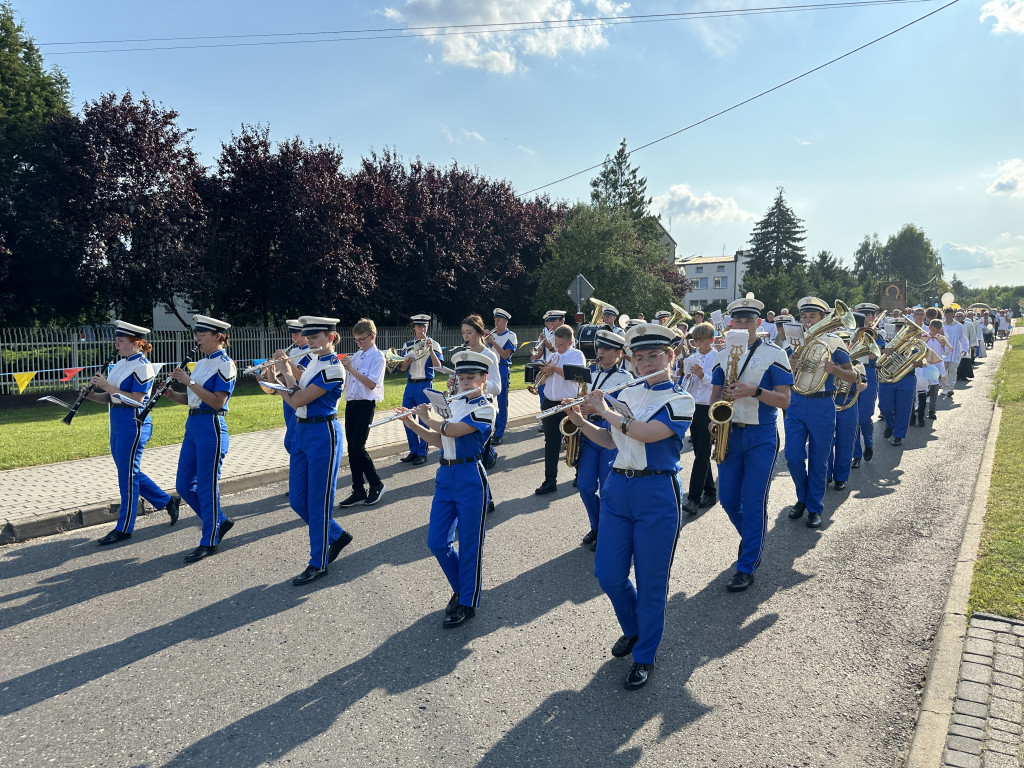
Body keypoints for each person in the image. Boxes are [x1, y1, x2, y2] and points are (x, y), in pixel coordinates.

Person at [563, 323, 693, 690]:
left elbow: (645, 434)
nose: (647, 362)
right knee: (607, 574)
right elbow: (610, 440)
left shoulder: (680, 399)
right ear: (632, 362)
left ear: (670, 356)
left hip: (657, 492)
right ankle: (635, 629)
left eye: (655, 356)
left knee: (651, 582)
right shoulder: (630, 392)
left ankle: (645, 654)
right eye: (640, 358)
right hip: (619, 488)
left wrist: (606, 410)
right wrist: (580, 419)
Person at [400, 351, 495, 628]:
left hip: (469, 477)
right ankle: (461, 588)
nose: (465, 382)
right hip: (445, 475)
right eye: (461, 377)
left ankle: (467, 601)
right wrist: (411, 422)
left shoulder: (485, 408)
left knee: (469, 544)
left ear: (483, 379)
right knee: (437, 541)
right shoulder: (453, 405)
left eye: (471, 377)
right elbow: (439, 440)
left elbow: (451, 431)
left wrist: (429, 417)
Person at [710, 298, 792, 590]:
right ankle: (753, 540)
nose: (743, 326)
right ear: (731, 323)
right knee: (729, 499)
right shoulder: (721, 355)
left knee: (755, 500)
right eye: (738, 321)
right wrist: (713, 419)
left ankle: (747, 565)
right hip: (729, 433)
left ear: (758, 322)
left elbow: (784, 400)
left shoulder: (774, 353)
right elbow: (716, 393)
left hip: (762, 434)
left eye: (748, 321)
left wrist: (754, 391)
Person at [269, 316, 354, 585]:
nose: (310, 343)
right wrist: (282, 370)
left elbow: (298, 399)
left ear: (330, 337)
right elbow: (298, 382)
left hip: (322, 434)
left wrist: (280, 378)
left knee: (318, 503)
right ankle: (336, 535)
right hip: (302, 431)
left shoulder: (334, 369)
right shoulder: (314, 361)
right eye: (309, 338)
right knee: (297, 500)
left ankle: (318, 562)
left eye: (316, 338)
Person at [89, 321, 180, 545]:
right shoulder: (119, 365)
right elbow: (111, 398)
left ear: (136, 342)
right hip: (116, 421)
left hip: (134, 422)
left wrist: (107, 386)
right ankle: (167, 501)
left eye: (121, 341)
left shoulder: (143, 366)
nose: (116, 344)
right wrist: (91, 394)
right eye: (117, 340)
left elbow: (137, 400)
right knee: (128, 471)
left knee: (126, 476)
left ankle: (124, 527)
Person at [165, 315, 237, 563]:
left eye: (202, 336)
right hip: (193, 424)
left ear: (218, 336)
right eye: (196, 335)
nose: (197, 340)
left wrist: (189, 380)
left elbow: (217, 401)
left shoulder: (225, 364)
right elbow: (193, 398)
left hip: (211, 425)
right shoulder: (203, 363)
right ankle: (218, 521)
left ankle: (209, 539)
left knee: (207, 486)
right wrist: (172, 393)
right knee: (184, 485)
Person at [785, 297, 856, 529]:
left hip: (822, 405)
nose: (806, 320)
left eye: (812, 316)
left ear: (823, 318)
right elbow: (779, 375)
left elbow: (853, 376)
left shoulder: (834, 342)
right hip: (796, 403)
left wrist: (834, 369)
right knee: (793, 457)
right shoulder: (794, 342)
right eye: (804, 316)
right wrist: (789, 364)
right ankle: (802, 497)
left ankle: (814, 507)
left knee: (819, 460)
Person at [574, 329, 632, 550]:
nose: (600, 352)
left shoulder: (625, 378)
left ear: (618, 353)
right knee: (585, 485)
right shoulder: (589, 371)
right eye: (599, 348)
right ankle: (597, 525)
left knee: (607, 488)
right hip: (589, 432)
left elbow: (624, 409)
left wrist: (599, 408)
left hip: (611, 433)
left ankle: (608, 530)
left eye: (606, 349)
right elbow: (582, 396)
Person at [338, 318, 387, 508]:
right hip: (352, 404)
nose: (359, 343)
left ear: (372, 336)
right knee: (351, 449)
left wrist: (350, 369)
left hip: (366, 405)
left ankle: (376, 483)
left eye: (362, 339)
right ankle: (358, 489)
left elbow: (371, 383)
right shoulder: (357, 356)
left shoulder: (378, 357)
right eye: (357, 340)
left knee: (359, 446)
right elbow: (349, 383)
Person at [535, 324, 586, 495]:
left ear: (570, 342)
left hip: (569, 405)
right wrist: (542, 374)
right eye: (556, 343)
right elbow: (544, 380)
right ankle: (550, 481)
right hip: (550, 403)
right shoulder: (554, 355)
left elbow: (576, 375)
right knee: (551, 443)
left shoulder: (577, 355)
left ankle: (580, 475)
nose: (558, 347)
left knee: (575, 442)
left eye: (562, 344)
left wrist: (554, 369)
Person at [680, 322, 718, 515]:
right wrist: (686, 377)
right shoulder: (692, 357)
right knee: (700, 451)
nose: (698, 345)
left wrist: (703, 375)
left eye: (702, 341)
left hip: (708, 407)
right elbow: (687, 383)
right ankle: (711, 492)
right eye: (696, 341)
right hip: (694, 407)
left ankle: (694, 498)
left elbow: (719, 384)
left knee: (701, 455)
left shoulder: (718, 357)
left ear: (711, 340)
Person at [456, 314, 502, 470]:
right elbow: (461, 382)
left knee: (478, 455)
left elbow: (497, 387)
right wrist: (454, 383)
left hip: (483, 407)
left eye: (469, 332)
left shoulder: (489, 355)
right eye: (463, 333)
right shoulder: (463, 355)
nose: (465, 336)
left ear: (479, 332)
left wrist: (480, 384)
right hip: (465, 406)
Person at [398, 314, 442, 466]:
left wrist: (430, 349)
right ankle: (413, 450)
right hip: (410, 384)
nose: (422, 329)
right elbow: (402, 368)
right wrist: (406, 362)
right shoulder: (408, 345)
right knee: (406, 416)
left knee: (424, 419)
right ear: (414, 328)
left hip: (425, 384)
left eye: (425, 326)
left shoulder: (434, 344)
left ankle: (422, 452)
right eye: (419, 326)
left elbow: (438, 366)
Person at [827, 330, 865, 490]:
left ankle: (841, 477)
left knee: (846, 441)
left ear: (848, 345)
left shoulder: (856, 363)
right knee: (826, 441)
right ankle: (826, 474)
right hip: (828, 402)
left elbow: (864, 381)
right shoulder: (826, 362)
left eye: (845, 342)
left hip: (848, 402)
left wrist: (863, 385)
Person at [876, 316, 920, 446]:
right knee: (885, 407)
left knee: (903, 408)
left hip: (906, 378)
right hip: (886, 378)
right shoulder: (884, 339)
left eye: (902, 328)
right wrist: (884, 351)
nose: (900, 330)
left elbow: (922, 357)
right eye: (898, 327)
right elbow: (874, 353)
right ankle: (890, 424)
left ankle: (899, 435)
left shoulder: (913, 344)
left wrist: (920, 363)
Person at [851, 303, 884, 467]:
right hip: (850, 374)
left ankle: (869, 443)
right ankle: (856, 454)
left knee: (864, 417)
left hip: (868, 374)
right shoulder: (850, 333)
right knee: (852, 418)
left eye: (868, 315)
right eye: (861, 314)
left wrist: (866, 339)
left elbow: (873, 356)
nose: (865, 318)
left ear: (873, 317)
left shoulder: (878, 333)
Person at [485, 308, 516, 445]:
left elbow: (505, 355)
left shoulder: (511, 335)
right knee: (487, 399)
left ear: (505, 321)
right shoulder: (492, 336)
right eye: (495, 320)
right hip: (490, 368)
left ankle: (499, 432)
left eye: (498, 320)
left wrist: (493, 342)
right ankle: (494, 425)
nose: (496, 323)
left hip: (502, 368)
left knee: (502, 402)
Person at [280, 319, 310, 458]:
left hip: (301, 396)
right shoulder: (294, 351)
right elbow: (286, 376)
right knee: (294, 437)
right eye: (292, 334)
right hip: (288, 397)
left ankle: (301, 464)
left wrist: (286, 361)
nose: (293, 338)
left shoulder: (312, 352)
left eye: (297, 334)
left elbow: (302, 376)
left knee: (291, 441)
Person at [940, 307, 968, 398]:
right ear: (944, 314)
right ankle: (944, 387)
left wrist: (965, 349)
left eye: (950, 313)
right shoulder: (941, 325)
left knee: (953, 371)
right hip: (943, 352)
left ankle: (950, 388)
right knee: (943, 371)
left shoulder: (958, 326)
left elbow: (963, 338)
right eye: (946, 313)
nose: (948, 315)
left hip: (955, 352)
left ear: (953, 314)